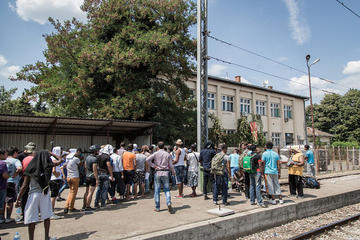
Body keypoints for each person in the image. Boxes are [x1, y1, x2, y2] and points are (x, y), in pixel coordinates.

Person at [15, 150, 63, 240]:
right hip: (45, 194)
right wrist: (51, 153)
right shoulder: (49, 165)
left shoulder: (31, 166)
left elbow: (24, 186)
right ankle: (46, 237)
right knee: (46, 216)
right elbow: (60, 160)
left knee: (31, 219)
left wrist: (18, 199)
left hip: (33, 195)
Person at [146, 141, 175, 213]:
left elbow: (147, 160)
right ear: (164, 146)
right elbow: (171, 165)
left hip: (158, 172)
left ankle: (157, 207)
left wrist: (154, 166)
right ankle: (168, 202)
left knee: (157, 190)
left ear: (158, 147)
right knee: (167, 189)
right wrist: (173, 172)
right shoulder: (168, 154)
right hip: (165, 172)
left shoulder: (155, 153)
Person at [4, 146, 22, 223]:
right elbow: (20, 168)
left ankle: (1, 218)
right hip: (12, 182)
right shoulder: (16, 160)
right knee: (10, 201)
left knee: (2, 201)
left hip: (3, 182)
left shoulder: (4, 160)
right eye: (17, 153)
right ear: (14, 153)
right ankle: (8, 217)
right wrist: (16, 173)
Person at [64, 148, 82, 213]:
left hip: (68, 176)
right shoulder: (76, 159)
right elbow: (81, 164)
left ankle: (66, 206)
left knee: (70, 192)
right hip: (75, 176)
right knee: (74, 193)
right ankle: (70, 207)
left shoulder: (67, 159)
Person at [83, 145, 100, 212]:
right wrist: (97, 179)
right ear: (95, 151)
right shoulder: (94, 159)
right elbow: (95, 170)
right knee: (91, 192)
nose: (98, 151)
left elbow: (85, 166)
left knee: (86, 192)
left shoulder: (87, 157)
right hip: (92, 177)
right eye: (97, 150)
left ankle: (84, 205)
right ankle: (88, 206)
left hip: (87, 176)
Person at [48, 147, 63, 219]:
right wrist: (57, 175)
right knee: (53, 197)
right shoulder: (54, 159)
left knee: (52, 196)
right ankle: (51, 212)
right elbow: (53, 170)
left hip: (53, 179)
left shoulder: (51, 158)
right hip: (54, 180)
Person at [0, 149, 9, 223]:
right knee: (1, 204)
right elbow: (5, 176)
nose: (7, 155)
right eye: (5, 154)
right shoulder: (2, 163)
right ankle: (1, 219)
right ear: (1, 155)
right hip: (1, 186)